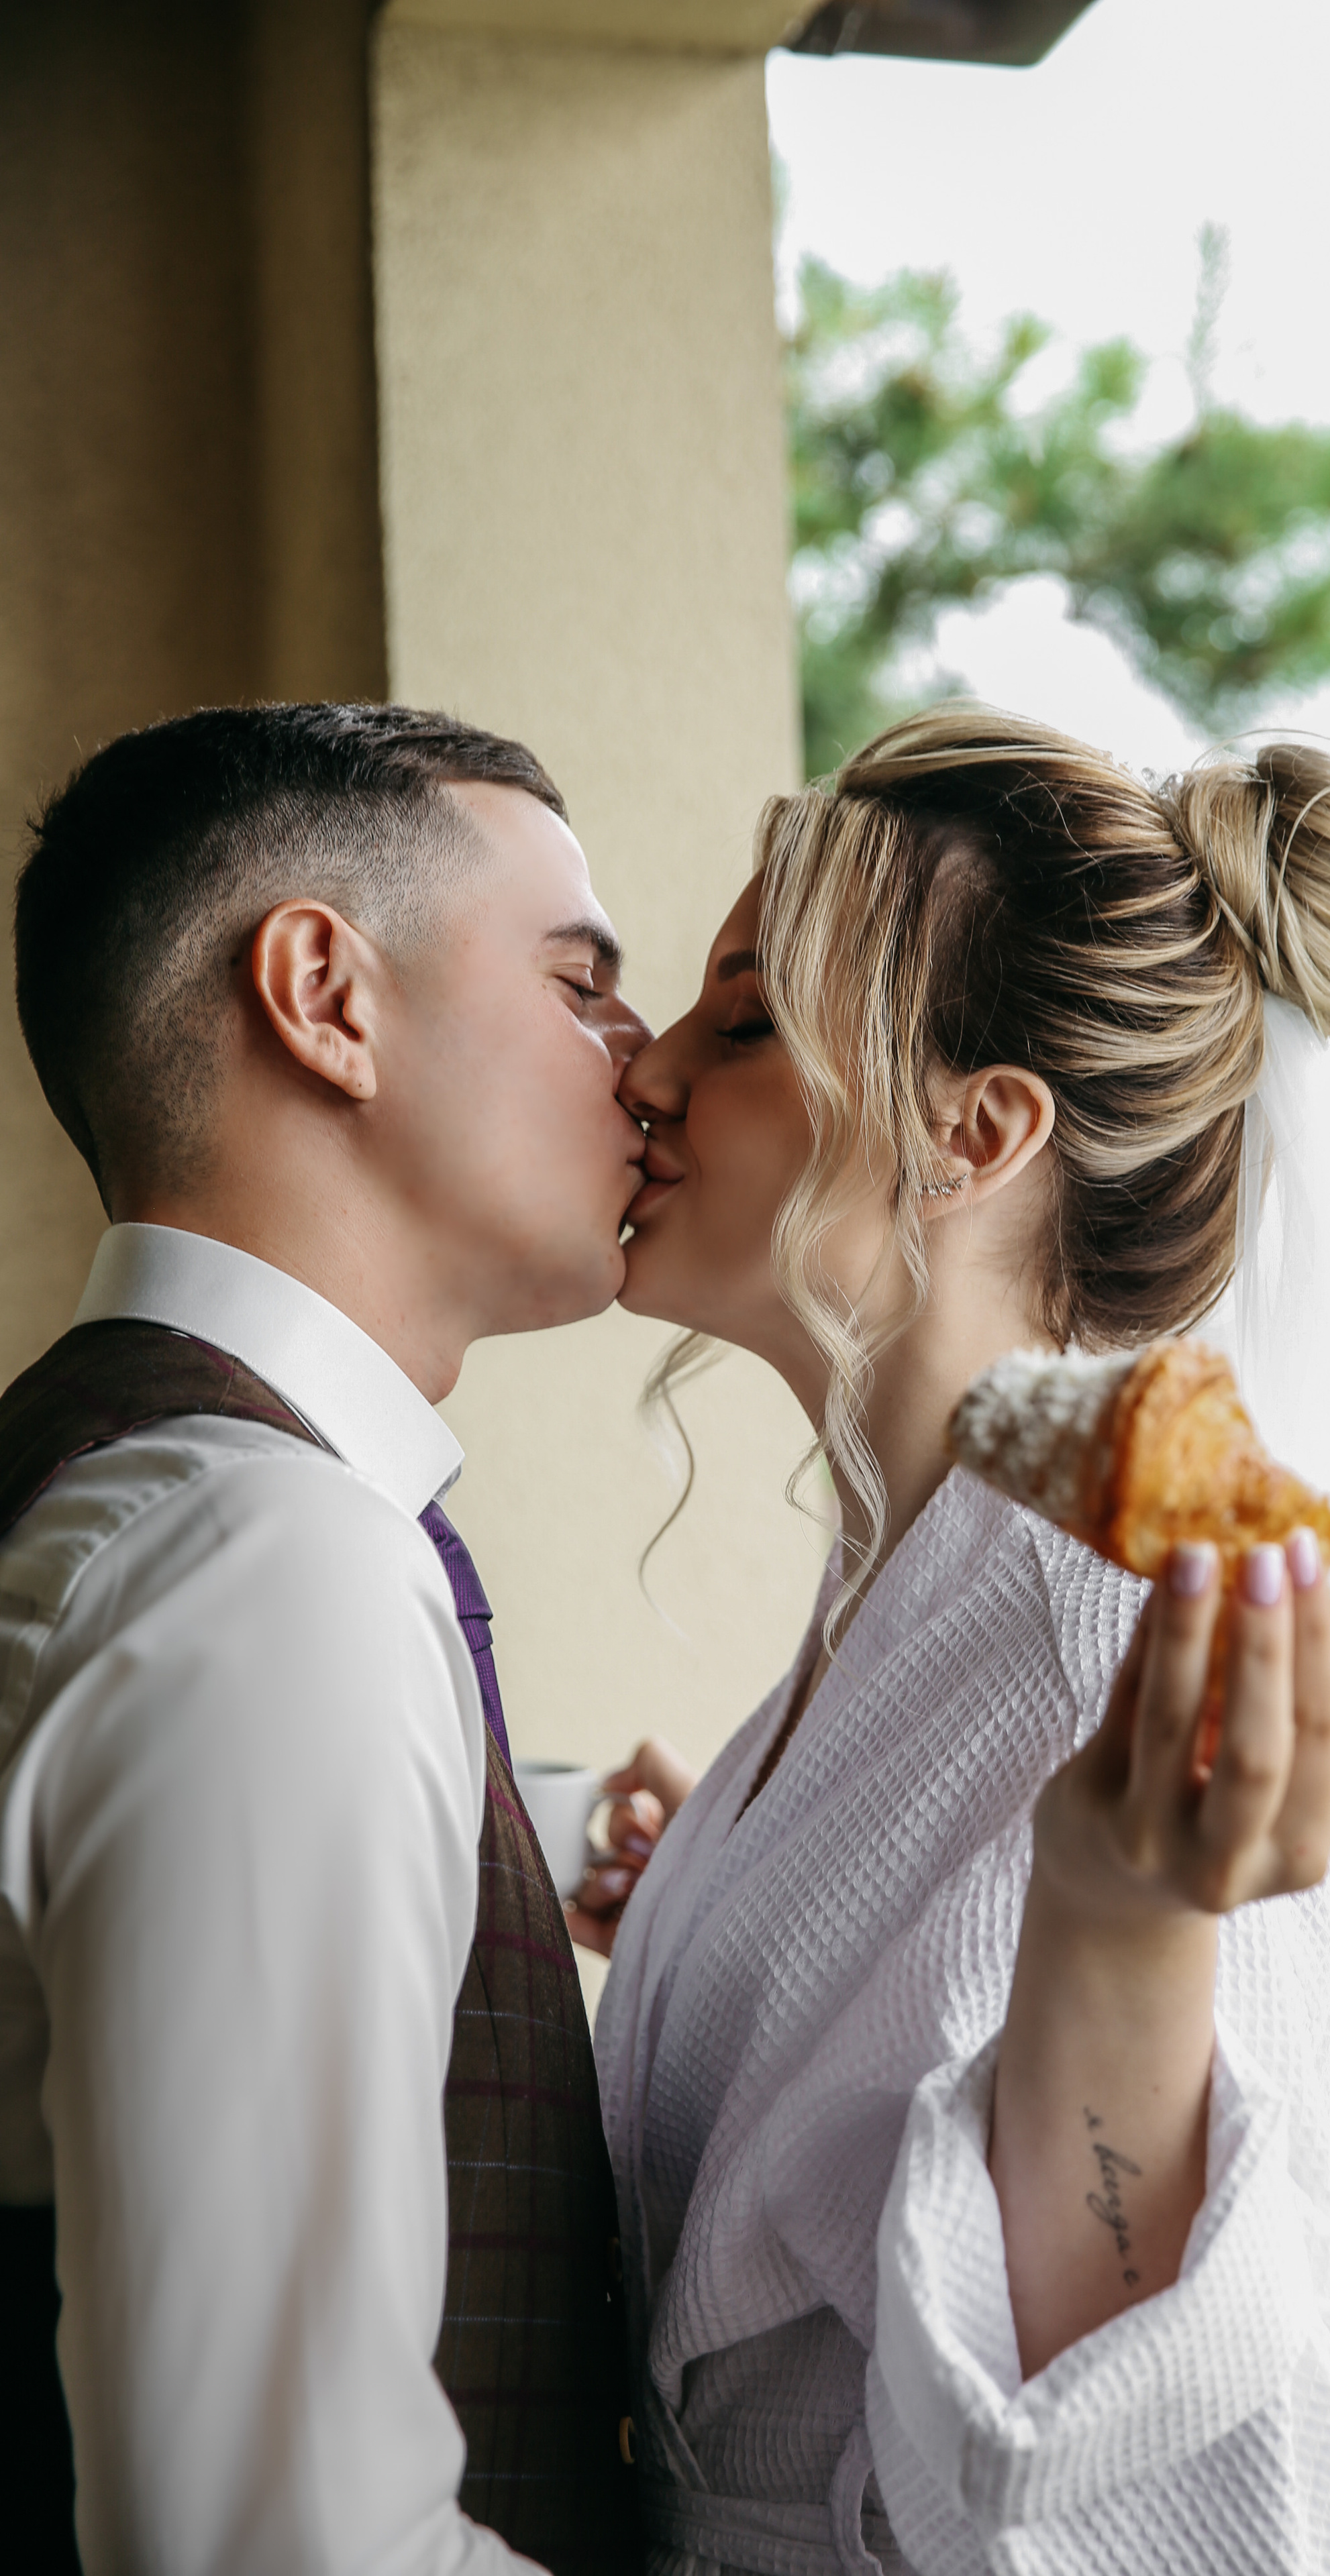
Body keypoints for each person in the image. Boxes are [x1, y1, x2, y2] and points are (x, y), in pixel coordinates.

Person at [579, 707, 1330, 2575]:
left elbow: (1202, 2514)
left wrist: (1111, 1936)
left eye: (747, 1020)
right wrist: (729, 1900)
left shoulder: (1118, 1632)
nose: (649, 1068)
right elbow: (915, 2033)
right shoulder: (916, 1583)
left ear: (972, 1133)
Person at [0, 704, 650, 2575]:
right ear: (325, 998)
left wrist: (546, 1827)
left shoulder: (150, 1501)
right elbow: (282, 2543)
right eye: (582, 987)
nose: (650, 1061)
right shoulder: (265, 1566)